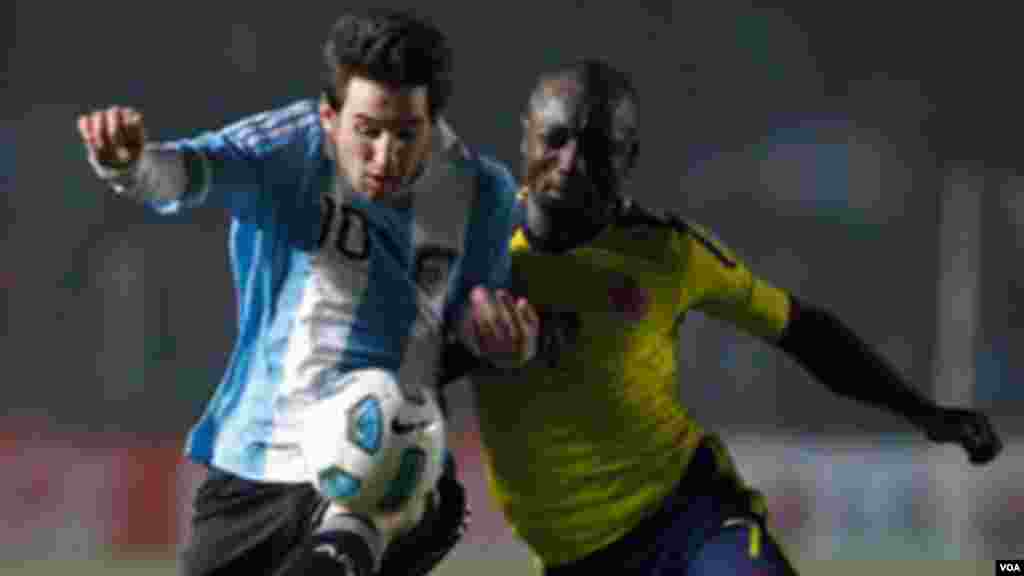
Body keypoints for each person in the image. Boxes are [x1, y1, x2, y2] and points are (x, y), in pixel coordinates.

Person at [450, 59, 1003, 575]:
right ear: (525, 135)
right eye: (555, 138)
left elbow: (802, 330)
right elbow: (412, 365)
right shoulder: (476, 252)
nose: (570, 162)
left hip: (690, 523)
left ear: (628, 157)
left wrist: (921, 412)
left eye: (597, 145)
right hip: (573, 560)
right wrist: (475, 345)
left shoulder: (668, 252)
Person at [76, 9, 538, 576]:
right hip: (259, 459)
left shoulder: (483, 194)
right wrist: (130, 164)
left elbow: (470, 320)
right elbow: (187, 172)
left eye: (406, 134)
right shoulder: (289, 147)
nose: (385, 156)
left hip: (384, 456)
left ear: (433, 120)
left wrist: (498, 339)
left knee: (384, 487)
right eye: (367, 131)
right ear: (330, 117)